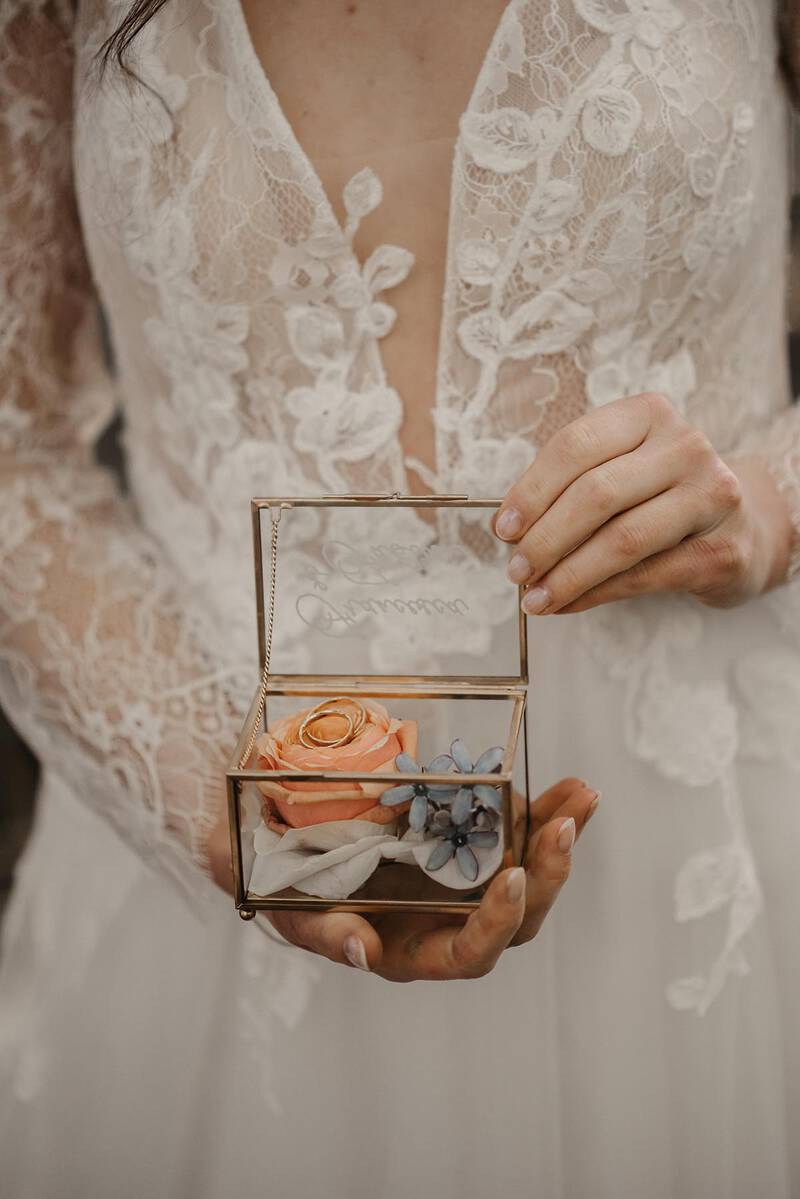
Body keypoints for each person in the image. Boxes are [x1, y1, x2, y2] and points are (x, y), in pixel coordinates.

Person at [0, 1, 798, 1196]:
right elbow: (14, 442)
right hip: (221, 856)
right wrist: (223, 803)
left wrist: (770, 502)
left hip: (699, 834)